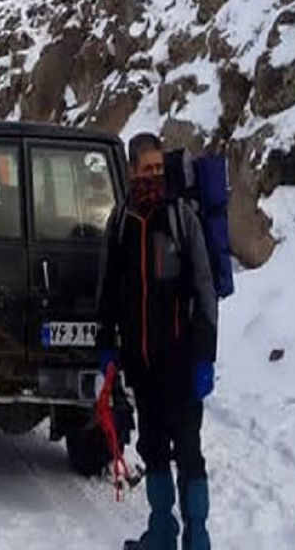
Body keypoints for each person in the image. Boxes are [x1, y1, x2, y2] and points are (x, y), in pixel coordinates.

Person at [97, 133, 218, 550]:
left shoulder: (182, 218)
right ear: (131, 169)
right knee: (152, 446)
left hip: (181, 363)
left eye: (158, 169)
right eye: (145, 169)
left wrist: (205, 357)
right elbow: (109, 290)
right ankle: (162, 533)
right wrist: (106, 346)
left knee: (188, 451)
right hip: (141, 363)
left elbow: (205, 291)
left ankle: (197, 537)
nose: (153, 176)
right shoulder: (121, 221)